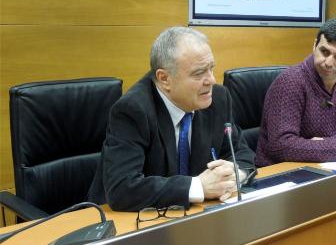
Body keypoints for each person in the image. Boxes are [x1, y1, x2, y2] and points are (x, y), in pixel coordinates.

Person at [88, 27, 255, 211]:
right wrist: (199, 186)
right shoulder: (133, 110)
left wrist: (235, 173)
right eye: (199, 73)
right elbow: (122, 188)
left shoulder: (218, 99)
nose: (211, 80)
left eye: (211, 68)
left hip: (196, 215)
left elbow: (242, 153)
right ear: (164, 78)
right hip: (126, 221)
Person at [256, 17, 336, 166]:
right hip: (280, 174)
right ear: (314, 46)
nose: (328, 62)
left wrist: (329, 144)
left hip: (325, 168)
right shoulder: (290, 82)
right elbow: (281, 146)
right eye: (324, 51)